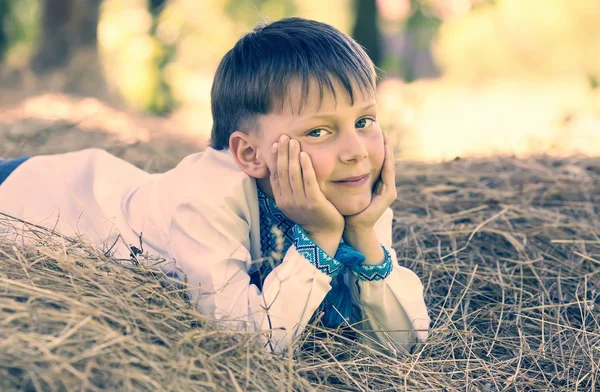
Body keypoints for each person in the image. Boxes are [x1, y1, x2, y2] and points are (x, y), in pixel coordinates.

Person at [0, 17, 430, 353]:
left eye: (364, 121)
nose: (355, 151)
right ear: (249, 154)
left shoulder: (349, 193)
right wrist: (319, 238)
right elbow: (247, 344)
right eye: (319, 132)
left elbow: (401, 343)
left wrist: (363, 234)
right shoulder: (208, 200)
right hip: (39, 196)